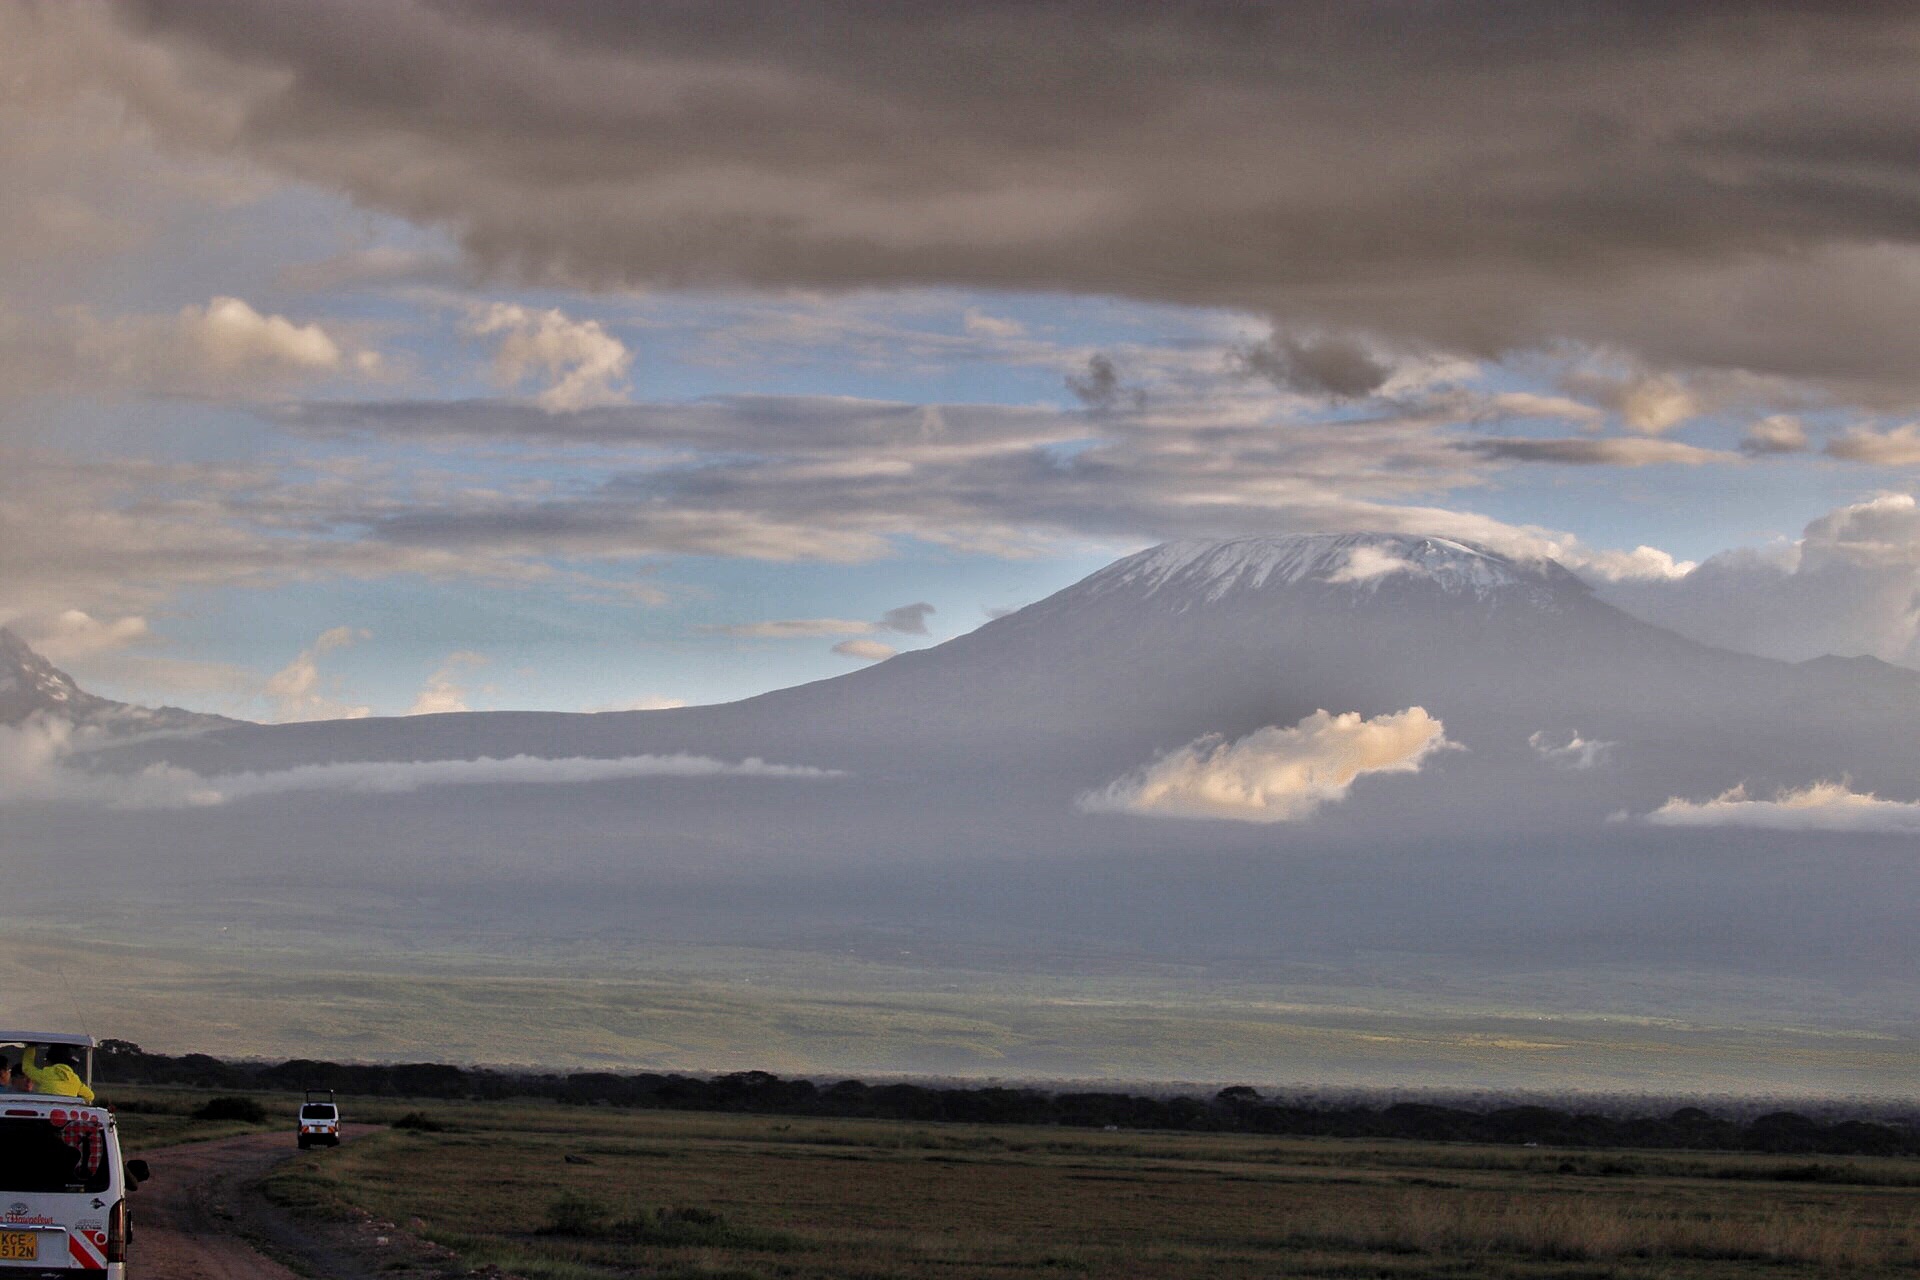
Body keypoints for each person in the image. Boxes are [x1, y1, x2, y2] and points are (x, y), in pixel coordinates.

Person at [20, 1045, 93, 1103]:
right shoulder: (75, 1079)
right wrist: (76, 1102)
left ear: (49, 1061)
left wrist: (31, 1047)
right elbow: (90, 1096)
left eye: (46, 1060)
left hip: (46, 1109)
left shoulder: (46, 1073)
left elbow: (27, 1068)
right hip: (67, 1112)